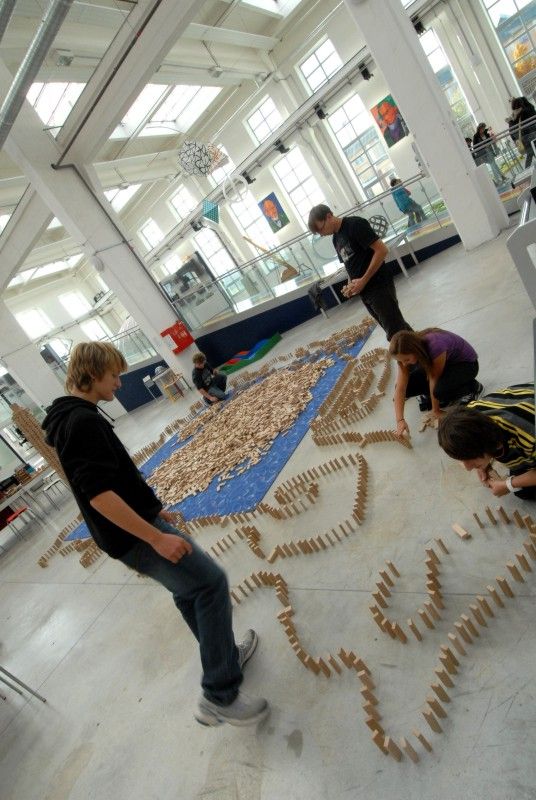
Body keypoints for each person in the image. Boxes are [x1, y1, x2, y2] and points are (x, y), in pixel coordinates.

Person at [42, 342, 268, 727]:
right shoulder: (82, 423)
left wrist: (152, 508)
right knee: (211, 584)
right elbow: (98, 495)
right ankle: (220, 694)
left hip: (135, 525)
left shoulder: (71, 416)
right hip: (133, 537)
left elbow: (114, 479)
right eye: (114, 375)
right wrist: (154, 535)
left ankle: (225, 656)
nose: (118, 382)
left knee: (188, 591)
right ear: (93, 374)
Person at [308, 204, 412, 341]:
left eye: (321, 229)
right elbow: (349, 264)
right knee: (395, 327)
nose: (322, 234)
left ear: (329, 216)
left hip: (378, 284)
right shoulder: (336, 238)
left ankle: (418, 357)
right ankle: (425, 350)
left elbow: (382, 250)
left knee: (395, 333)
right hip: (365, 291)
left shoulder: (355, 225)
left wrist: (363, 280)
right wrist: (351, 284)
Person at [438, 384, 536, 501]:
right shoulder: (470, 415)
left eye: (469, 458)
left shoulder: (527, 435)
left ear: (494, 444)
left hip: (530, 425)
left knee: (525, 491)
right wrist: (481, 465)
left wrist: (508, 484)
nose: (468, 468)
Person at [389, 328, 482, 438]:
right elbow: (400, 388)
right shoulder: (403, 356)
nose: (404, 364)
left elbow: (434, 378)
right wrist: (400, 420)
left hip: (466, 365)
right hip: (442, 365)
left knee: (440, 392)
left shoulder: (435, 345)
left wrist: (436, 410)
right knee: (408, 388)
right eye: (401, 361)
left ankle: (472, 386)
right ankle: (441, 394)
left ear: (416, 351)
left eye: (407, 360)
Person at [510, 96, 536, 168]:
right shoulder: (526, 111)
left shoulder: (512, 117)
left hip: (523, 139)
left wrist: (515, 140)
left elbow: (511, 131)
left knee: (531, 153)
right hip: (531, 136)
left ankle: (527, 170)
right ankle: (527, 169)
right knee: (531, 153)